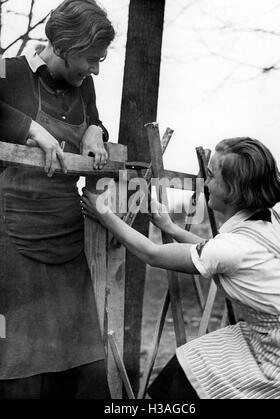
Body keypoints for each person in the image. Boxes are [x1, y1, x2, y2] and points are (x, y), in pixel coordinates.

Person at [82, 137, 280, 399]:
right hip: (276, 333)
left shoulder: (233, 247)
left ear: (233, 190)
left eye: (211, 176)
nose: (205, 183)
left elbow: (152, 253)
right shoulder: (267, 219)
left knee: (192, 380)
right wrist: (171, 228)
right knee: (187, 366)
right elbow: (214, 251)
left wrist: (103, 213)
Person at [0, 0, 115, 399]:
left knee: (81, 360)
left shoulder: (85, 85)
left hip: (66, 237)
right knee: (21, 361)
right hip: (15, 241)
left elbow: (92, 118)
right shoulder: (9, 70)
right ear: (63, 47)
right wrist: (29, 128)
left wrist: (95, 131)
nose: (96, 69)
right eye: (91, 59)